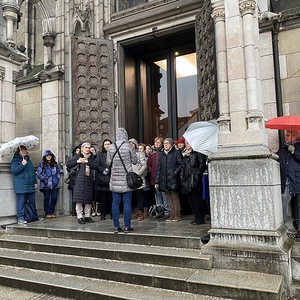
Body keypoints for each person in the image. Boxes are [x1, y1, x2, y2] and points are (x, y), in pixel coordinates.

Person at [107, 128, 138, 233]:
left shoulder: (111, 147)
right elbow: (135, 161)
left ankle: (116, 226)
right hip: (126, 180)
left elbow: (108, 162)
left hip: (115, 179)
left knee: (115, 203)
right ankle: (127, 226)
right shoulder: (129, 146)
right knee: (127, 203)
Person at [66, 142, 96, 224]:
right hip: (79, 179)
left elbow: (95, 166)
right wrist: (78, 161)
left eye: (89, 148)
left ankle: (87, 216)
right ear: (82, 148)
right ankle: (79, 217)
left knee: (88, 199)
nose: (87, 149)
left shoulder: (92, 157)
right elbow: (68, 164)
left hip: (89, 179)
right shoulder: (77, 156)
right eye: (86, 147)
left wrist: (88, 162)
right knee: (79, 199)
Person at [277, 130, 300, 235]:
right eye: (286, 135)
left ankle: (299, 228)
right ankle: (283, 226)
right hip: (286, 182)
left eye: (288, 135)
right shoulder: (283, 149)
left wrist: (294, 151)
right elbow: (277, 159)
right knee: (283, 202)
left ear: (294, 137)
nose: (286, 137)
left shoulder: (298, 147)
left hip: (297, 180)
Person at [155, 138, 182, 222]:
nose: (165, 145)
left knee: (174, 197)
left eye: (167, 143)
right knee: (168, 198)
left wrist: (174, 173)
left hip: (173, 179)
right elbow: (159, 168)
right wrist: (157, 181)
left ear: (171, 144)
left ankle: (177, 214)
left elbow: (181, 164)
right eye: (165, 143)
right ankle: (171, 214)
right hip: (164, 179)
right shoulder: (162, 154)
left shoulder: (176, 153)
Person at [180, 141, 207, 224]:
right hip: (187, 179)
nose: (186, 145)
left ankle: (200, 217)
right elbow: (183, 167)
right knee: (190, 199)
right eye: (186, 143)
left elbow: (202, 165)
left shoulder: (198, 153)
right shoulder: (185, 155)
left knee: (196, 199)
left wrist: (197, 174)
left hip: (194, 178)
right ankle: (196, 216)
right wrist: (182, 176)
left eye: (188, 143)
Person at [11, 145, 38, 224]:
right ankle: (20, 218)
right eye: (22, 150)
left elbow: (32, 172)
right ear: (18, 152)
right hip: (21, 185)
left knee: (32, 201)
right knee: (21, 201)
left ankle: (34, 216)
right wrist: (22, 165)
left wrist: (35, 182)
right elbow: (14, 171)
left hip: (29, 184)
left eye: (25, 150)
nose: (24, 152)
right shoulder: (15, 161)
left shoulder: (28, 160)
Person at [147, 136, 169, 218]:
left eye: (158, 142)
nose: (156, 144)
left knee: (164, 195)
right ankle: (159, 211)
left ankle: (166, 212)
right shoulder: (152, 154)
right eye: (156, 142)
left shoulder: (163, 153)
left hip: (162, 178)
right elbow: (148, 164)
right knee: (157, 195)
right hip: (154, 177)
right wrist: (151, 170)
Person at [36, 150, 61, 218]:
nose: (49, 157)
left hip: (55, 184)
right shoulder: (42, 164)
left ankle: (51, 211)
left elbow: (58, 172)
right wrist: (44, 179)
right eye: (47, 156)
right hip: (45, 185)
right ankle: (47, 212)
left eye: (50, 156)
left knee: (54, 197)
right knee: (47, 198)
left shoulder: (55, 164)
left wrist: (57, 178)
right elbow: (38, 173)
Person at [129, 139, 148, 221]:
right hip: (129, 179)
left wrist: (138, 174)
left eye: (132, 143)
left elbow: (144, 165)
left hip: (137, 178)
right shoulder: (127, 154)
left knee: (139, 195)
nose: (131, 145)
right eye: (129, 143)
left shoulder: (140, 154)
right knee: (131, 196)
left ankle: (141, 212)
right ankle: (134, 210)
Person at [94, 139, 112, 220]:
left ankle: (112, 214)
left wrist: (109, 171)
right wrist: (104, 171)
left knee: (111, 199)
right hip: (101, 179)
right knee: (102, 199)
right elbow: (96, 165)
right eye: (105, 144)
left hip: (111, 178)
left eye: (109, 144)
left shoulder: (114, 154)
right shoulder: (100, 154)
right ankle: (103, 214)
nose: (107, 145)